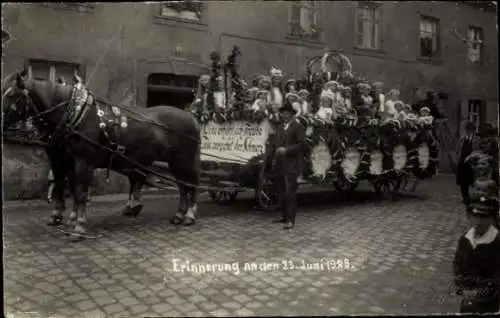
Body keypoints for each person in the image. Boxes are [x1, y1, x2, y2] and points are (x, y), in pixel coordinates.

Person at [453, 194, 500, 314]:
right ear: (468, 216)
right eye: (475, 216)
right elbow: (458, 264)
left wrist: (482, 292)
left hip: (491, 301)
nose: (478, 221)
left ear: (493, 218)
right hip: (468, 299)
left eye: (484, 217)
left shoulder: (497, 241)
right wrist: (462, 288)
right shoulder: (465, 238)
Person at [266, 101, 308, 230]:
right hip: (280, 164)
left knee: (290, 193)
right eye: (283, 114)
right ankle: (284, 216)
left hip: (292, 164)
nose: (285, 116)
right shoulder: (279, 127)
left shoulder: (297, 126)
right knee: (281, 191)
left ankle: (291, 220)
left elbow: (302, 145)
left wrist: (287, 150)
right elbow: (274, 145)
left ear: (292, 114)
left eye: (287, 114)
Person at [456, 121, 480, 204]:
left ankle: (475, 197)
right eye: (467, 129)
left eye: (470, 130)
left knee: (472, 180)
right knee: (463, 182)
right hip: (462, 162)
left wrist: (473, 159)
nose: (468, 131)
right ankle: (465, 197)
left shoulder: (476, 139)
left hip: (471, 163)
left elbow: (477, 151)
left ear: (473, 130)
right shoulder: (463, 139)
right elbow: (458, 149)